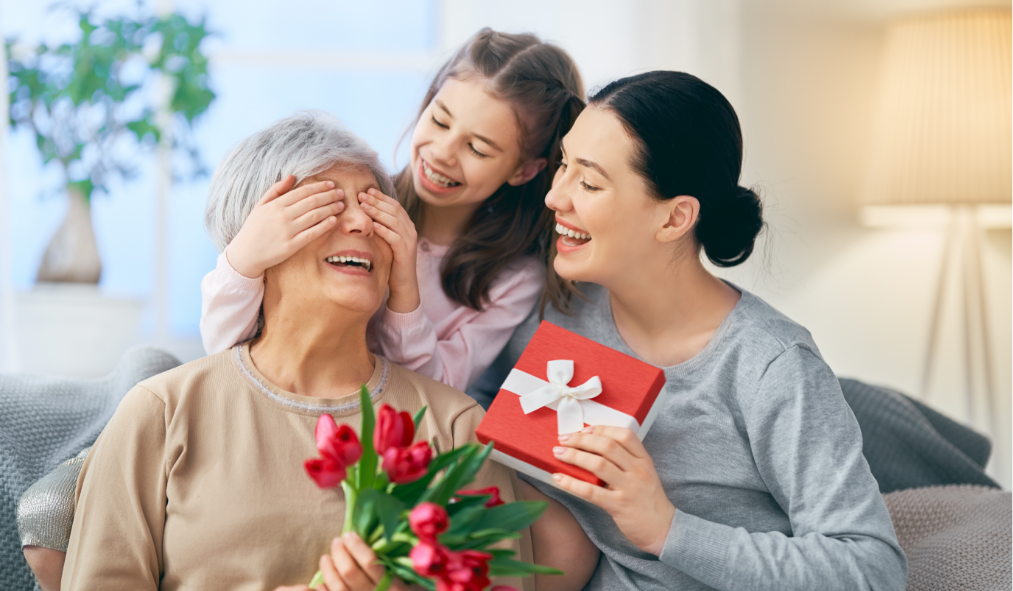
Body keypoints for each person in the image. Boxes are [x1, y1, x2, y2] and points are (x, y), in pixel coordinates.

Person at [39, 111, 591, 591]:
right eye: (323, 206)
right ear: (256, 237)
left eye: (375, 208)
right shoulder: (160, 413)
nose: (357, 221)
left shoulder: (455, 429)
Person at [486, 71, 908, 590]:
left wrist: (666, 528)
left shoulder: (769, 365)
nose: (555, 197)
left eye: (590, 182)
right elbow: (474, 409)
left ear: (674, 219)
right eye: (564, 166)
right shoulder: (565, 305)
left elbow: (872, 569)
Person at [200, 28, 585, 393]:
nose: (442, 152)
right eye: (439, 120)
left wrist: (404, 293)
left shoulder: (512, 280)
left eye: (478, 149)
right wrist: (244, 259)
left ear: (524, 170)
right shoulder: (354, 209)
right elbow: (228, 351)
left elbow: (436, 395)